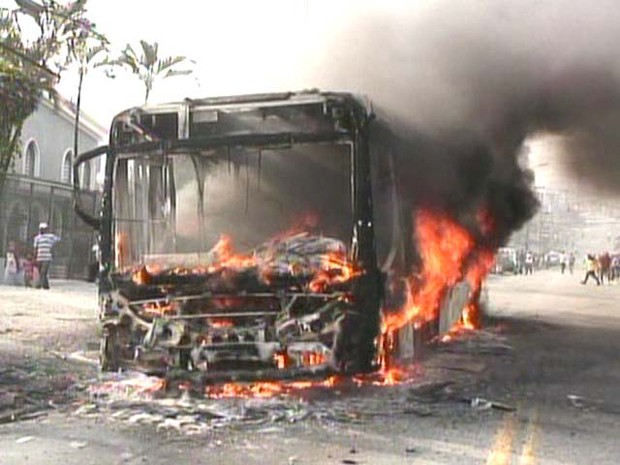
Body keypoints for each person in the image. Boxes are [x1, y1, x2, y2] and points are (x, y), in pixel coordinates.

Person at [33, 222, 60, 290]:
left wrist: (53, 248)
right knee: (41, 273)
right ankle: (45, 286)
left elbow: (58, 240)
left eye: (44, 229)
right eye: (41, 229)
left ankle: (41, 285)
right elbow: (35, 248)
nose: (42, 230)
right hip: (40, 257)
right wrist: (35, 257)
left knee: (43, 272)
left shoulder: (50, 236)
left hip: (47, 257)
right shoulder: (37, 238)